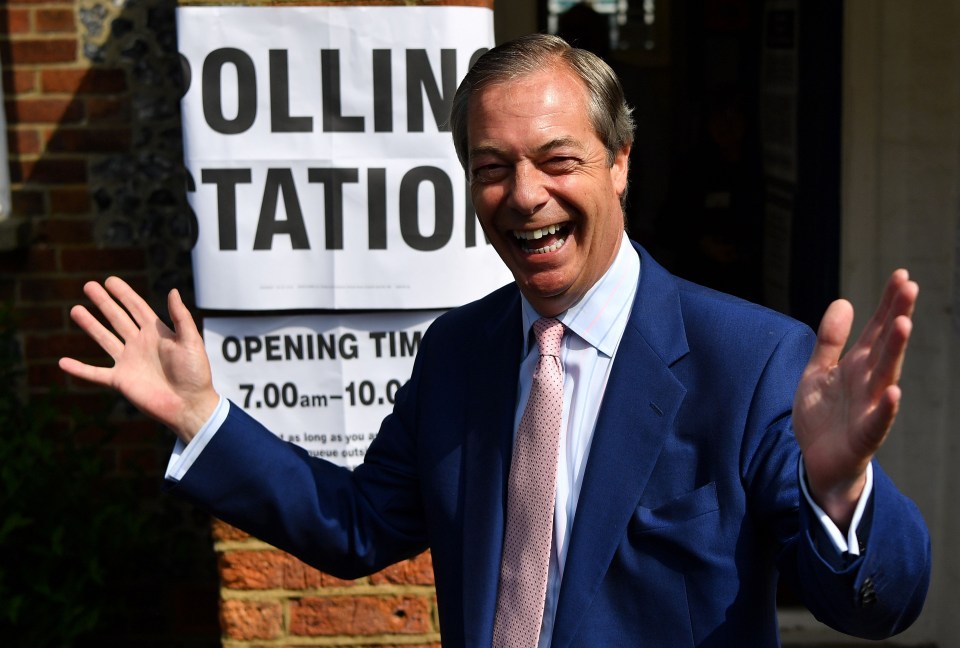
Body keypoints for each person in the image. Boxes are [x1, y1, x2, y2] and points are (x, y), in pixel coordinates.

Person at [60, 34, 929, 647]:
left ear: (620, 160)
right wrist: (204, 416)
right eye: (491, 168)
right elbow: (359, 526)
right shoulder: (458, 355)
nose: (524, 196)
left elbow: (879, 606)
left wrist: (842, 491)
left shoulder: (750, 361)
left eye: (557, 160)